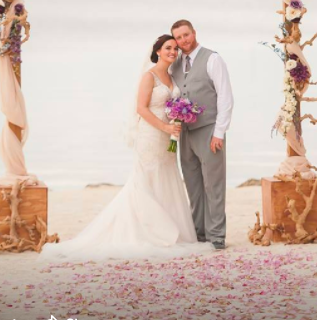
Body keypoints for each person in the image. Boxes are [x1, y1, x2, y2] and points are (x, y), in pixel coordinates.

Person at [40, 35, 212, 262]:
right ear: (157, 51)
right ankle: (147, 231)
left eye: (175, 48)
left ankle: (172, 230)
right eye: (168, 48)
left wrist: (177, 119)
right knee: (146, 180)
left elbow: (172, 105)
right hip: (151, 136)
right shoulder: (148, 76)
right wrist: (164, 126)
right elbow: (141, 108)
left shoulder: (172, 76)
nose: (173, 51)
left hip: (168, 136)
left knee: (166, 178)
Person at [171, 20, 234, 250]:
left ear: (194, 33)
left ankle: (216, 237)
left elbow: (225, 98)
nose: (184, 40)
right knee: (194, 187)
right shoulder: (174, 65)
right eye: (178, 37)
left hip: (209, 131)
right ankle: (200, 235)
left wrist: (219, 132)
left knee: (214, 186)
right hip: (185, 135)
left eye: (186, 35)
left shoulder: (213, 59)